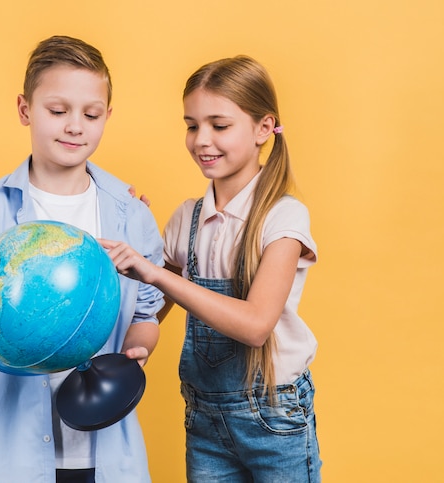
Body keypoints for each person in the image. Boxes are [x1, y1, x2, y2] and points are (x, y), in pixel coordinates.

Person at [0, 35, 164, 483]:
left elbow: (146, 315)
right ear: (26, 109)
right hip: (10, 461)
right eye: (57, 111)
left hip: (108, 459)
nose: (75, 127)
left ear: (107, 116)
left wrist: (134, 353)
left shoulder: (132, 215)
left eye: (91, 114)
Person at [101, 55, 322, 482]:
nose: (202, 139)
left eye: (219, 126)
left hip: (275, 419)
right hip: (204, 418)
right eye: (192, 125)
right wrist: (128, 226)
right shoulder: (186, 218)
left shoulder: (284, 217)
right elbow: (145, 309)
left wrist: (160, 273)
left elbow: (256, 324)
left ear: (263, 129)